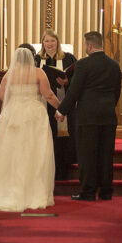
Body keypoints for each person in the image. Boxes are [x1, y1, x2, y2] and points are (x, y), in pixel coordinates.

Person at [0, 46, 60, 211]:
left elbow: (1, 95)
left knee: (11, 151)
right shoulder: (38, 73)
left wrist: (16, 98)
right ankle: (32, 191)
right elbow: (48, 94)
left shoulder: (9, 74)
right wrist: (61, 109)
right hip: (33, 115)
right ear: (33, 57)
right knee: (34, 151)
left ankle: (9, 187)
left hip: (12, 113)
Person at [57, 31, 122, 201]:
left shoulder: (83, 64)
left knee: (87, 155)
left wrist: (61, 110)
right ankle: (106, 191)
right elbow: (117, 92)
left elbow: (74, 91)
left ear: (89, 46)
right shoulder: (114, 65)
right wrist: (107, 107)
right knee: (106, 154)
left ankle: (88, 192)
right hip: (108, 115)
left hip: (87, 116)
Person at [37, 30, 77, 181]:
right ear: (43, 43)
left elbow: (79, 78)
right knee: (46, 136)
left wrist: (67, 82)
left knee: (62, 139)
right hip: (43, 104)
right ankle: (44, 172)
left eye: (52, 41)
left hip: (62, 103)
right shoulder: (37, 59)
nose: (50, 44)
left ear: (57, 42)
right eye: (46, 41)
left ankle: (62, 170)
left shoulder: (68, 58)